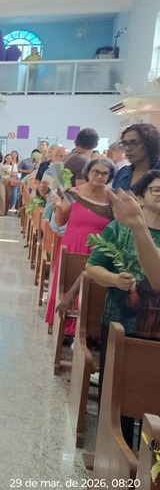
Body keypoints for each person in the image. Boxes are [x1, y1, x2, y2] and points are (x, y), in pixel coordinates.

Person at [86, 171, 160, 449]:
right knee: (117, 394)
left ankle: (148, 459)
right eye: (156, 190)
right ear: (138, 198)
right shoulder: (119, 229)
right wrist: (114, 279)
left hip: (156, 330)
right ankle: (118, 453)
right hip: (120, 324)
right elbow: (92, 267)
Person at [44, 158, 115, 334]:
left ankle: (84, 328)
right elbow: (61, 221)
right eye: (95, 171)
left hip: (97, 247)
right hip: (73, 243)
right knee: (66, 281)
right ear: (88, 173)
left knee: (91, 287)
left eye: (105, 173)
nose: (99, 176)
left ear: (110, 176)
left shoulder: (111, 197)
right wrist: (58, 206)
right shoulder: (75, 192)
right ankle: (60, 323)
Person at [111, 123, 160, 191]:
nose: (127, 148)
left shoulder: (157, 170)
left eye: (133, 143)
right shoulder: (123, 172)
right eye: (125, 144)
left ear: (149, 144)